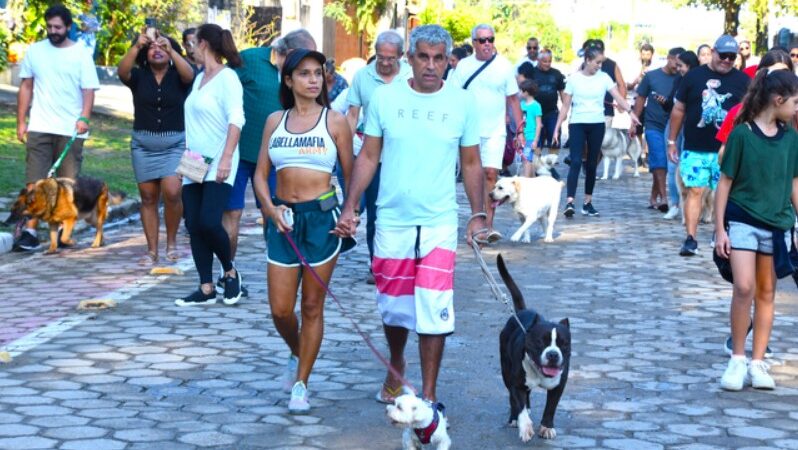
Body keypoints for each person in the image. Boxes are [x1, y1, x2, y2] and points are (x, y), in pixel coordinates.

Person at [334, 24, 488, 407]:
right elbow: (368, 155)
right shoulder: (385, 99)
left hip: (438, 220)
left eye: (439, 58)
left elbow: (470, 162)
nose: (431, 66)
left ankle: (429, 397)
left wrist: (479, 213)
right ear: (410, 59)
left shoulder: (462, 103)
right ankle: (397, 365)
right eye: (423, 57)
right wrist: (351, 205)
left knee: (435, 308)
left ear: (448, 61)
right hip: (391, 220)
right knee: (395, 307)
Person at [253, 49, 354, 414]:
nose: (313, 80)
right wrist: (269, 208)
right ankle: (299, 353)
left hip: (321, 223)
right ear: (288, 80)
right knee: (281, 311)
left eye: (318, 73)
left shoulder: (335, 121)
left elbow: (350, 172)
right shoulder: (274, 121)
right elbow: (260, 174)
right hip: (283, 221)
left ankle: (301, 383)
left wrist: (349, 213)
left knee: (312, 306)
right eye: (305, 74)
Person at [716, 68, 798, 391]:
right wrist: (720, 229)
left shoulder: (791, 138)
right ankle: (737, 359)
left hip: (777, 224)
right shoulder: (741, 135)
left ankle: (758, 362)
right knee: (744, 288)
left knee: (767, 293)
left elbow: (793, 182)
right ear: (778, 100)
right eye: (794, 102)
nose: (796, 109)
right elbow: (725, 183)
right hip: (742, 221)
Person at [223, 28, 317, 296]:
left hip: (278, 157)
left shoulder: (296, 76)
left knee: (277, 213)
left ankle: (281, 267)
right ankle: (226, 271)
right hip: (240, 153)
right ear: (287, 52)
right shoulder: (250, 60)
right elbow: (221, 86)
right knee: (232, 214)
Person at [14, 4, 100, 252]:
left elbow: (88, 90)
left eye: (58, 27)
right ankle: (30, 230)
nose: (53, 31)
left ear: (68, 27)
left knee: (66, 183)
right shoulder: (36, 51)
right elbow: (26, 87)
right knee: (35, 182)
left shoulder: (81, 53)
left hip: (70, 129)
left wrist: (84, 117)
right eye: (50, 27)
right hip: (40, 125)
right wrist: (22, 121)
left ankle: (63, 229)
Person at [174, 24, 245, 307]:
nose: (190, 48)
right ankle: (205, 288)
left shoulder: (228, 78)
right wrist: (186, 161)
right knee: (193, 223)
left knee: (208, 221)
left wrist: (227, 157)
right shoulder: (199, 78)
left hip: (219, 157)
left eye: (192, 43)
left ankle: (229, 271)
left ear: (204, 43)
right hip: (194, 159)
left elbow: (236, 119)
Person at [667, 35, 750, 256]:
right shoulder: (694, 77)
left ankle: (719, 233)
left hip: (729, 150)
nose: (727, 60)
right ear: (713, 52)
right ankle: (691, 238)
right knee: (695, 190)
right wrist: (672, 141)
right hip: (695, 147)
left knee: (724, 195)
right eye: (723, 55)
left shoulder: (743, 81)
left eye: (732, 57)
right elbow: (679, 110)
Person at [118, 30, 194, 265]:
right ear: (144, 53)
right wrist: (135, 46)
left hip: (175, 144)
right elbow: (122, 72)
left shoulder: (178, 76)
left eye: (163, 46)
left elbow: (190, 75)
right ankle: (152, 250)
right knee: (148, 197)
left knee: (173, 193)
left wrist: (172, 49)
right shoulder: (139, 77)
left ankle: (171, 243)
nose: (157, 49)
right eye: (151, 47)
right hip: (143, 145)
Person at [346, 30, 411, 283]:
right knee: (375, 212)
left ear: (401, 57)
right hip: (373, 155)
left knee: (403, 209)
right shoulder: (363, 76)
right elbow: (353, 115)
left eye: (390, 59)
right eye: (380, 57)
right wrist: (343, 150)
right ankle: (378, 263)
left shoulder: (410, 75)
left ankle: (403, 261)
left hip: (404, 156)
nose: (384, 63)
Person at [450, 24, 525, 243]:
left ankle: (488, 225)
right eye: (482, 40)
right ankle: (477, 216)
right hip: (469, 131)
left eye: (490, 39)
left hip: (495, 130)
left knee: (491, 174)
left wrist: (519, 131)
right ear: (474, 43)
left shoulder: (504, 66)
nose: (487, 44)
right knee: (473, 176)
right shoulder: (464, 66)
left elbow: (513, 99)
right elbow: (453, 96)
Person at [552, 46, 639, 218]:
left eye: (602, 62)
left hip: (597, 124)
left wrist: (631, 113)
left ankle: (587, 202)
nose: (600, 66)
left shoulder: (604, 78)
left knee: (592, 163)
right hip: (577, 124)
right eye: (597, 62)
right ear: (587, 60)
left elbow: (618, 97)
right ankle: (569, 202)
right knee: (576, 161)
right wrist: (557, 128)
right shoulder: (574, 79)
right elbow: (565, 106)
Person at [631, 47, 682, 212]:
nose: (677, 65)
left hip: (674, 127)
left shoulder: (683, 78)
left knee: (664, 162)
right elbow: (640, 99)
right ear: (668, 58)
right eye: (675, 61)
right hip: (653, 125)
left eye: (680, 63)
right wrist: (634, 122)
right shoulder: (651, 76)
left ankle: (654, 197)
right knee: (660, 161)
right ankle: (664, 198)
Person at [662, 50, 700, 220]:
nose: (678, 69)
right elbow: (672, 103)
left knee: (689, 166)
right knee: (672, 167)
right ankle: (675, 204)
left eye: (681, 66)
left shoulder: (701, 79)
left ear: (690, 66)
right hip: (675, 125)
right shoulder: (679, 80)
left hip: (692, 126)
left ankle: (692, 206)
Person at [528, 49, 565, 153]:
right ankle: (537, 167)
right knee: (536, 142)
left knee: (554, 139)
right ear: (538, 60)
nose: (548, 64)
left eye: (550, 61)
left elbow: (562, 93)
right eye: (545, 61)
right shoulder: (532, 73)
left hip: (552, 112)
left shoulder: (557, 74)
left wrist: (564, 110)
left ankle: (551, 167)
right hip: (535, 114)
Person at [518, 79, 542, 177]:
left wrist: (535, 140)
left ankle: (526, 181)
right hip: (523, 137)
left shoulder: (536, 106)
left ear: (526, 92)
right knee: (526, 159)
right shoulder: (521, 104)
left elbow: (539, 124)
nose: (519, 93)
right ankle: (531, 180)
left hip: (531, 137)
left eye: (521, 90)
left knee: (527, 159)